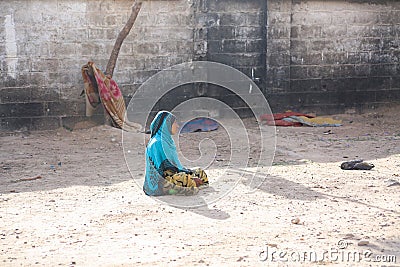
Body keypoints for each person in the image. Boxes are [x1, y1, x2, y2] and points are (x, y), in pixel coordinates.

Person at [143, 111, 209, 196]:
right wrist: (189, 178)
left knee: (200, 172)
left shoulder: (168, 140)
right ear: (166, 124)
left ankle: (190, 184)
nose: (177, 126)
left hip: (173, 174)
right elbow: (162, 172)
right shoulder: (157, 143)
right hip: (160, 182)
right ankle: (189, 185)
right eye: (174, 123)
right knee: (186, 180)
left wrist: (187, 174)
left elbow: (175, 167)